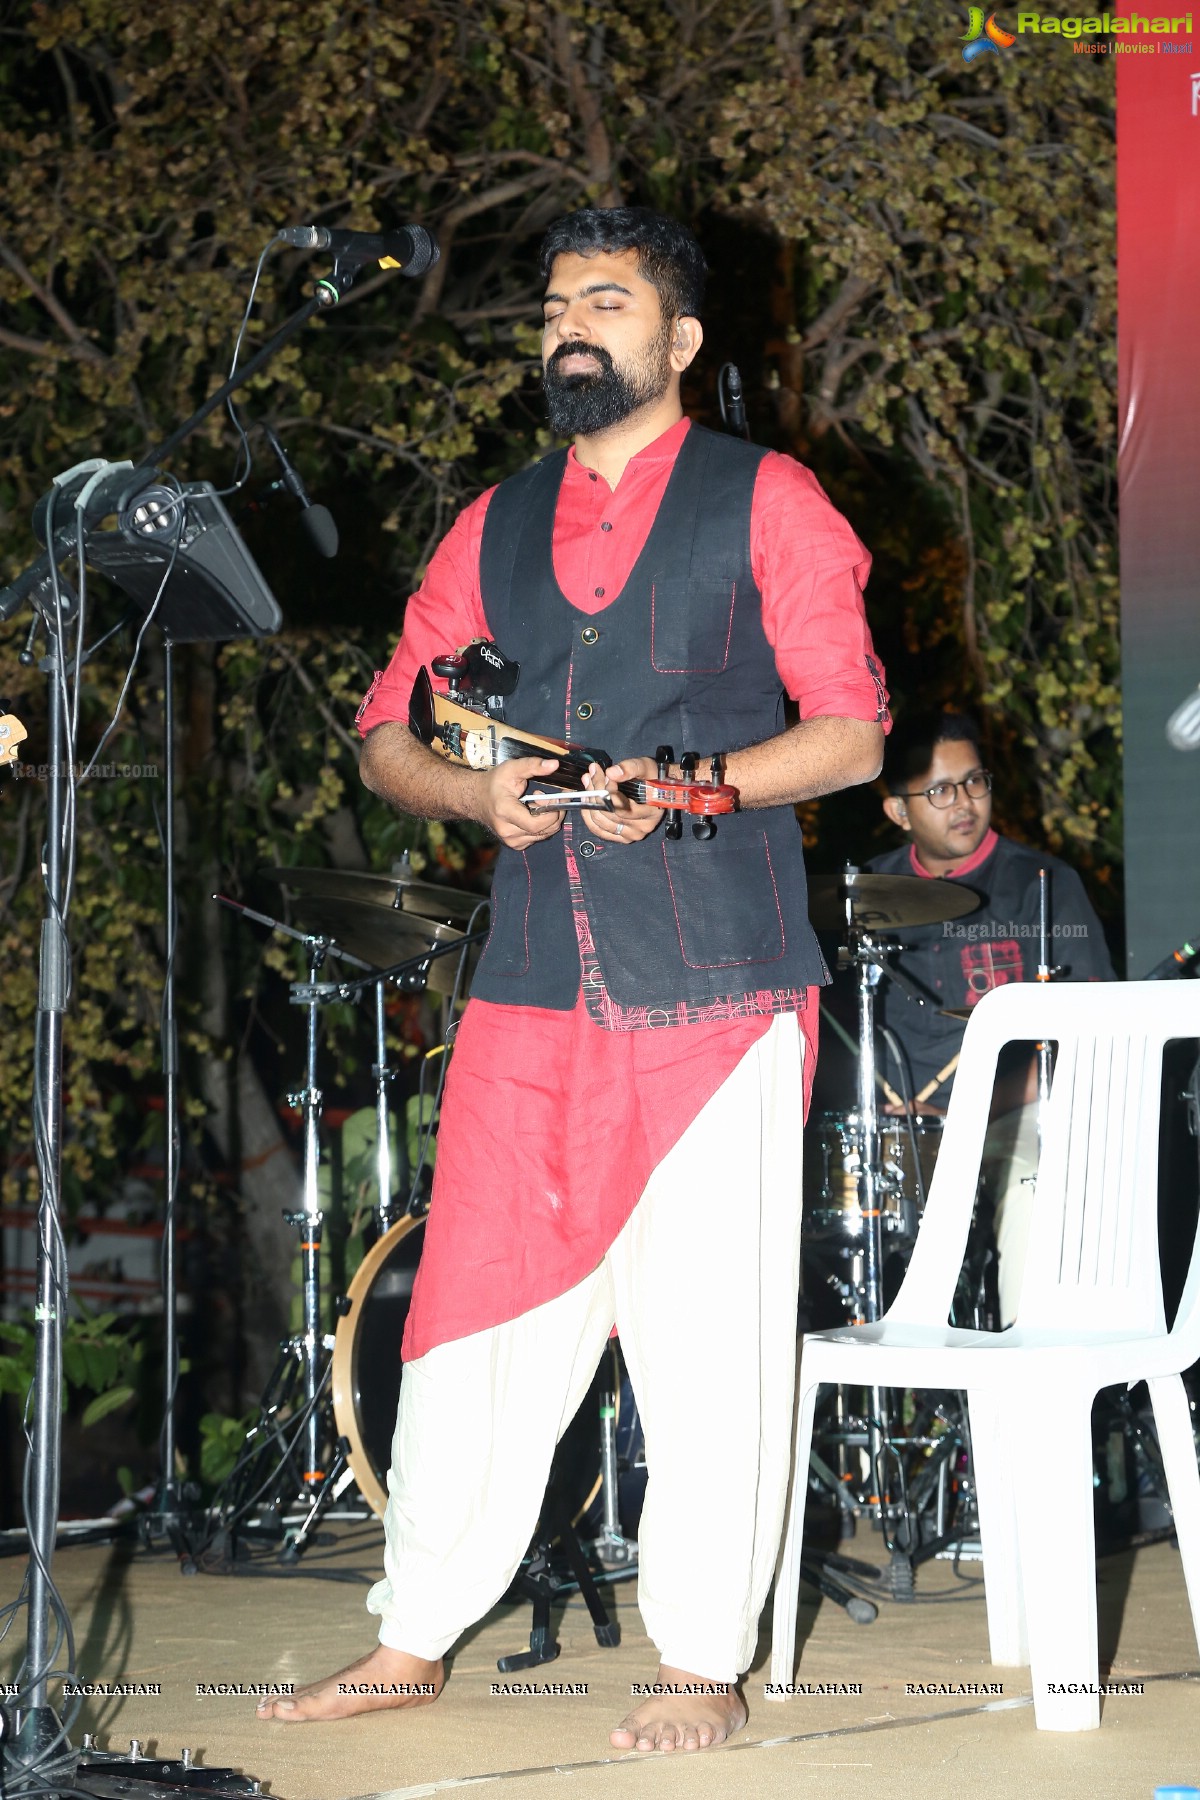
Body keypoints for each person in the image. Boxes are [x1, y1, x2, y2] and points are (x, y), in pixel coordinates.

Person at [258, 206, 888, 1751]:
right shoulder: (493, 522)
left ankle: (698, 1665)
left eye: (607, 300)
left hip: (719, 985)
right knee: (475, 1315)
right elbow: (388, 729)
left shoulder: (770, 500)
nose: (569, 324)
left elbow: (854, 730)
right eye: (553, 303)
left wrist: (699, 787)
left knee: (706, 1334)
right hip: (533, 986)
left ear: (680, 343)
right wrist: (475, 800)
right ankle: (414, 1632)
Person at [866, 710, 1115, 1326]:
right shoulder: (865, 896)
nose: (964, 803)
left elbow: (1090, 1038)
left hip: (1013, 1121)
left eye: (975, 782)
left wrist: (968, 1110)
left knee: (1028, 1199)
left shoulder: (1041, 885)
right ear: (899, 811)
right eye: (941, 790)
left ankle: (1023, 1389)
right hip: (903, 1135)